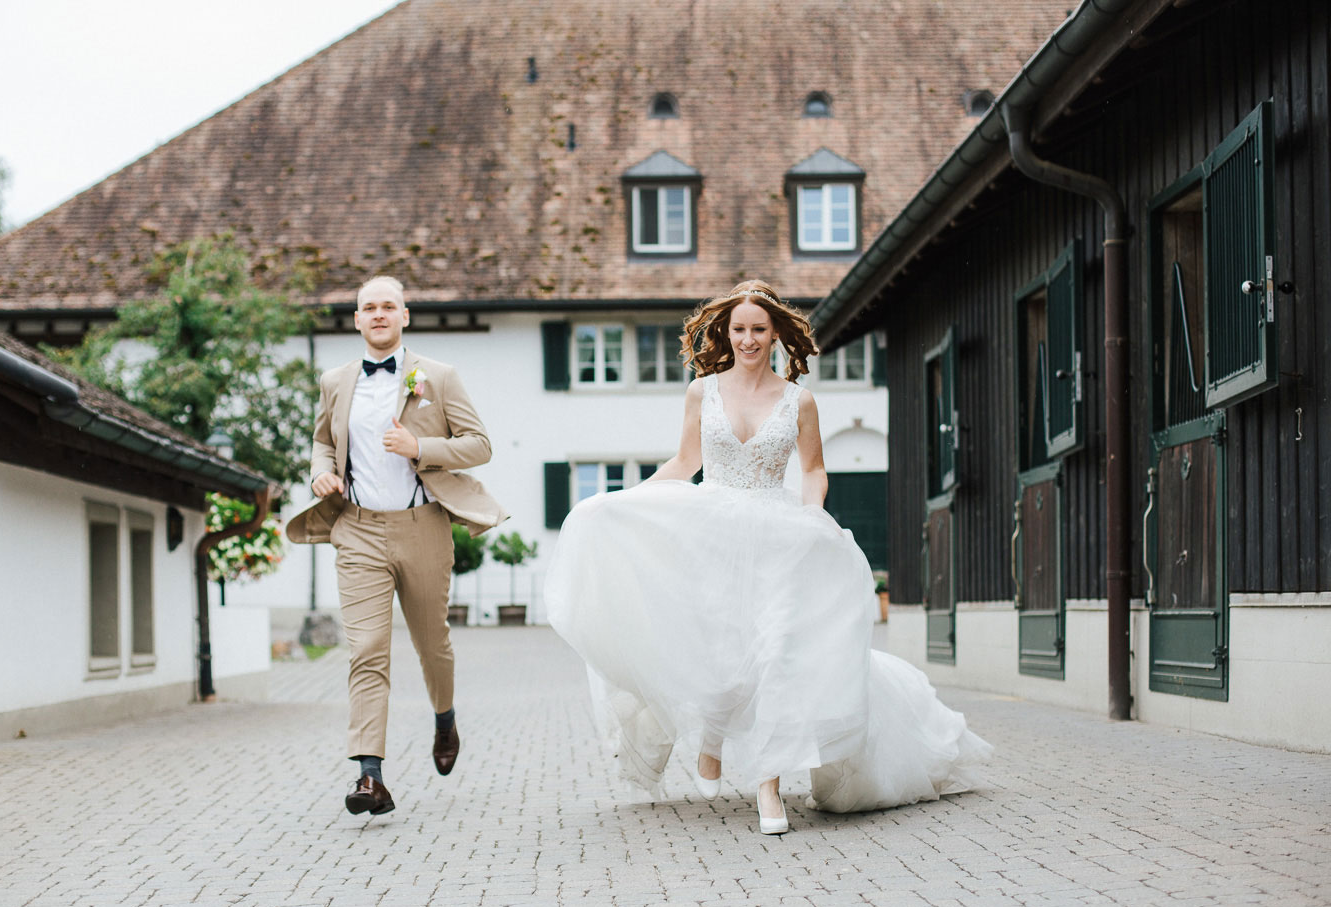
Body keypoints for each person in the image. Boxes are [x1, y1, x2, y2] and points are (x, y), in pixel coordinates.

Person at [544, 279, 991, 835]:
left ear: (776, 333)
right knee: (718, 645)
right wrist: (625, 502)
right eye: (739, 330)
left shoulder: (798, 401)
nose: (749, 339)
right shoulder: (700, 392)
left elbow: (812, 469)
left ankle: (769, 785)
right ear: (725, 333)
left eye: (759, 329)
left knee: (776, 650)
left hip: (777, 531)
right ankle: (710, 738)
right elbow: (685, 463)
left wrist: (813, 516)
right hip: (712, 531)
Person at [286, 275, 507, 817]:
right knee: (366, 650)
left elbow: (480, 444)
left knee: (433, 645)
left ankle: (444, 716)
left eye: (389, 306)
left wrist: (420, 446)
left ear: (404, 316)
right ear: (357, 320)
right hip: (357, 529)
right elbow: (321, 442)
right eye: (369, 308)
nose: (379, 314)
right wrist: (320, 475)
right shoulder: (335, 381)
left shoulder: (437, 376)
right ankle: (370, 776)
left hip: (423, 526)